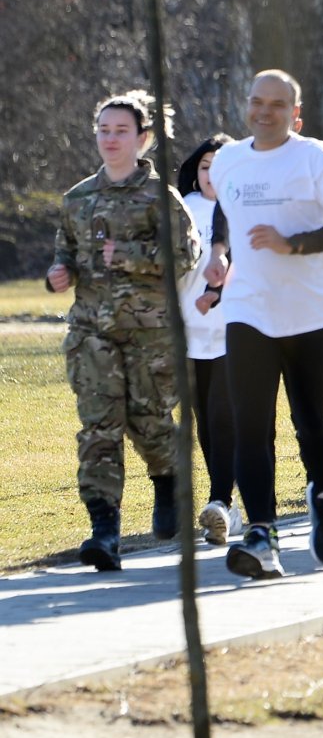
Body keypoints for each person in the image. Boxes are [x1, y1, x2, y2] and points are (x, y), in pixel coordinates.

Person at [203, 72, 323, 578]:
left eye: (276, 104)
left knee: (312, 421)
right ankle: (262, 533)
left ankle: (322, 492)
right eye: (256, 102)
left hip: (310, 309)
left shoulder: (313, 157)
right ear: (246, 106)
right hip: (248, 308)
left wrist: (291, 243)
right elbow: (226, 213)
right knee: (250, 423)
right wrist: (217, 252)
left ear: (294, 112)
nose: (264, 112)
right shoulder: (229, 158)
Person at [48, 91, 199, 572]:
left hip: (149, 334)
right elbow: (66, 253)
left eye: (120, 131)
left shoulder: (161, 197)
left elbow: (186, 256)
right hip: (92, 332)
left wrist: (130, 257)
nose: (110, 139)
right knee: (99, 429)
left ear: (143, 138)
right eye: (103, 130)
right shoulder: (77, 198)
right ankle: (103, 531)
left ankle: (168, 480)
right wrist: (59, 273)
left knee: (148, 421)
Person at [177, 135, 237, 547]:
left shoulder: (241, 208)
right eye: (204, 166)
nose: (210, 174)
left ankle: (221, 501)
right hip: (188, 331)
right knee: (203, 424)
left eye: (219, 166)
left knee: (222, 417)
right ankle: (222, 502)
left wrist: (218, 293)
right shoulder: (181, 209)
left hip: (233, 332)